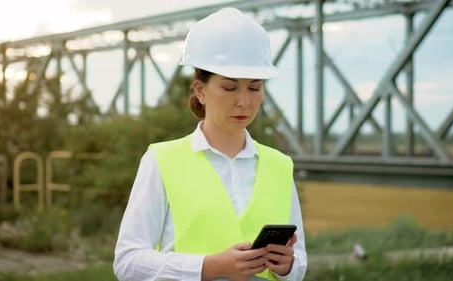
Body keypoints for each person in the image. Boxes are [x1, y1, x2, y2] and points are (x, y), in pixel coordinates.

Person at [113, 7, 307, 281]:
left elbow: (299, 264)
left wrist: (287, 266)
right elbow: (128, 262)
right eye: (229, 87)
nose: (244, 101)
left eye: (254, 87)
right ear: (200, 91)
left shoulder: (280, 165)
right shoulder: (161, 160)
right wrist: (209, 267)